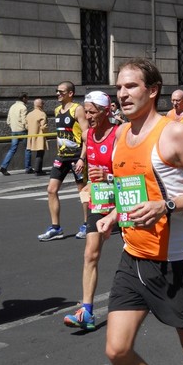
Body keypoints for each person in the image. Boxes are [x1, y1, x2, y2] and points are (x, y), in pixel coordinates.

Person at [95, 58, 183, 365]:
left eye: (130, 86)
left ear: (152, 90)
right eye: (119, 87)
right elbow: (134, 190)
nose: (122, 94)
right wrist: (115, 214)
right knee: (117, 350)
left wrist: (165, 206)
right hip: (133, 259)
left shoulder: (175, 133)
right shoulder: (120, 135)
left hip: (176, 262)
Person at [64, 91, 119, 331]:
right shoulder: (87, 134)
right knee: (90, 254)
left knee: (141, 254)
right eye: (85, 111)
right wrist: (85, 169)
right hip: (99, 201)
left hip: (124, 201)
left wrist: (109, 175)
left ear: (106, 111)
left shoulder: (120, 135)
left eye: (92, 112)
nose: (87, 116)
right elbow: (89, 154)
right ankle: (87, 311)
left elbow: (135, 174)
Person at [37, 81, 89, 242]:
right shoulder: (57, 110)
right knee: (51, 190)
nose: (57, 94)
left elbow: (87, 134)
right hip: (62, 156)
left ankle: (87, 224)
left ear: (70, 93)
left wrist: (82, 158)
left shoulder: (77, 109)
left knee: (83, 192)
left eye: (61, 91)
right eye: (57, 91)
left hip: (76, 157)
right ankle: (55, 227)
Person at [0, 92, 30, 175]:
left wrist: (13, 127)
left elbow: (8, 121)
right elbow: (24, 121)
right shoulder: (23, 107)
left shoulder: (12, 106)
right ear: (23, 98)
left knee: (12, 149)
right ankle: (28, 168)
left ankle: (3, 166)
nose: (27, 100)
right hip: (22, 131)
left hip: (14, 131)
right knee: (28, 149)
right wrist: (28, 128)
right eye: (27, 98)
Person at [26, 98, 49, 176]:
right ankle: (38, 170)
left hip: (31, 135)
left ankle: (34, 169)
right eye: (43, 103)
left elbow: (26, 126)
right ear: (40, 105)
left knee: (33, 152)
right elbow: (44, 127)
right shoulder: (42, 114)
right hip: (40, 136)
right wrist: (47, 132)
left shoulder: (29, 114)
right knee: (40, 153)